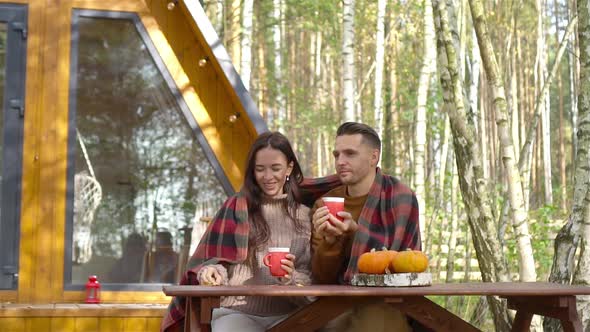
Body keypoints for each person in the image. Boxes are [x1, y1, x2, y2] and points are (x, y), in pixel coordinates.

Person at [161, 132, 340, 332]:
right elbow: (214, 262)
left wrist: (290, 278)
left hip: (291, 315)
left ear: (289, 168)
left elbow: (311, 286)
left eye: (276, 168)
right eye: (260, 169)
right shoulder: (236, 208)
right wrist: (213, 272)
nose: (268, 177)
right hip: (236, 313)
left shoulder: (306, 216)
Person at [311, 122, 421, 332]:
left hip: (388, 301)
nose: (340, 161)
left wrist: (356, 233)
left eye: (350, 154)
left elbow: (404, 265)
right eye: (336, 155)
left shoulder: (400, 197)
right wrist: (331, 242)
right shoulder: (325, 203)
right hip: (336, 301)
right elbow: (321, 278)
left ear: (374, 157)